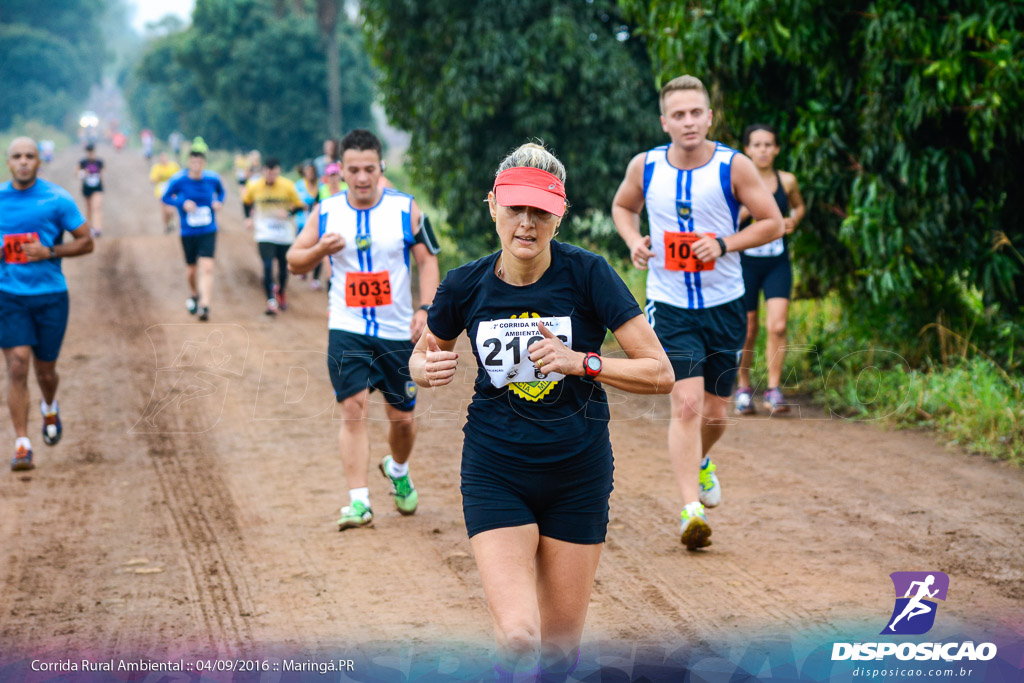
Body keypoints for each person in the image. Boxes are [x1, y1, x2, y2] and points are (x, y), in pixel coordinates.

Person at [411, 142, 673, 679]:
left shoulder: (588, 275)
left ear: (560, 214)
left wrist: (583, 362)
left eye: (540, 211)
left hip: (577, 474)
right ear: (493, 207)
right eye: (515, 209)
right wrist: (422, 370)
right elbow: (422, 354)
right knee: (516, 638)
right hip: (495, 470)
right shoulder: (465, 284)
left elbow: (659, 371)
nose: (526, 224)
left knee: (555, 653)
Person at [611, 75, 784, 550]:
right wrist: (634, 242)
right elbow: (623, 207)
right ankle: (690, 510)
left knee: (715, 414)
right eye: (678, 115)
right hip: (670, 306)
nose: (688, 122)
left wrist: (725, 243)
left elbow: (772, 222)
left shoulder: (735, 167)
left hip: (725, 305)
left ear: (709, 117)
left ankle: (702, 462)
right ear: (664, 121)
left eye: (696, 113)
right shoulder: (646, 167)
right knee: (684, 405)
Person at [286, 128, 440, 532]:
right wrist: (320, 250)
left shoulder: (408, 210)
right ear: (341, 169)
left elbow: (428, 262)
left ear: (380, 167)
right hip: (347, 326)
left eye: (369, 169)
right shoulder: (326, 211)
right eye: (352, 169)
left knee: (402, 419)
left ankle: (398, 468)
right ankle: (359, 502)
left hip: (396, 331)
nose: (361, 178)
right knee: (353, 408)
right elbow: (293, 260)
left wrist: (426, 309)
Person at [1, 137, 94, 471]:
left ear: (39, 162)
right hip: (8, 295)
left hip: (51, 295)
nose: (23, 161)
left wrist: (49, 252)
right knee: (16, 365)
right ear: (8, 162)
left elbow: (86, 242)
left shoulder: (57, 198)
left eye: (30, 156)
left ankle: (50, 405)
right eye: (17, 157)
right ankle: (23, 444)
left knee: (45, 370)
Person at [733, 123, 805, 415]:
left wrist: (793, 221)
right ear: (747, 149)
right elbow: (724, 220)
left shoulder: (786, 181)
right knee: (748, 329)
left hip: (777, 262)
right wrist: (745, 212)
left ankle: (774, 389)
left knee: (778, 325)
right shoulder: (737, 183)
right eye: (757, 145)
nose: (763, 150)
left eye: (768, 145)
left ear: (776, 149)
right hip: (745, 263)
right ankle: (743, 388)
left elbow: (798, 207)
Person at [161, 138, 225, 322]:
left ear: (204, 163)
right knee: (191, 269)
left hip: (208, 229)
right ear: (189, 162)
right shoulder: (179, 180)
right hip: (188, 231)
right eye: (193, 162)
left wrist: (219, 202)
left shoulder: (212, 178)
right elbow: (166, 197)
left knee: (207, 267)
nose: (196, 165)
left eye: (200, 162)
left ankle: (205, 305)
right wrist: (182, 203)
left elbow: (222, 192)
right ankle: (194, 293)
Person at [242, 157, 305, 315]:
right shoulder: (255, 186)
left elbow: (300, 206)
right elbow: (246, 201)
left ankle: (281, 292)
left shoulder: (287, 186)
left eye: (274, 173)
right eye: (268, 173)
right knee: (267, 266)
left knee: (284, 268)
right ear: (264, 171)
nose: (271, 176)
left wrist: (289, 212)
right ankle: (270, 300)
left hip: (284, 234)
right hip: (264, 233)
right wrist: (248, 218)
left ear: (278, 172)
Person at [294, 161, 324, 290]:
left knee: (319, 250)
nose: (310, 174)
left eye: (312, 171)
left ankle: (315, 278)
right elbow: (294, 202)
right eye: (308, 171)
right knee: (304, 248)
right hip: (302, 222)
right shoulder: (299, 185)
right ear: (304, 172)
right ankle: (304, 269)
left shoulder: (321, 186)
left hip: (317, 223)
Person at [150, 152, 181, 233]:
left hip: (172, 190)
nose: (164, 160)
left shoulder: (174, 166)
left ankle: (171, 222)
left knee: (171, 209)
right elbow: (152, 179)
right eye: (162, 158)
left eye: (165, 158)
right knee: (164, 210)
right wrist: (158, 177)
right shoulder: (156, 168)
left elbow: (180, 176)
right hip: (161, 191)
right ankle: (166, 225)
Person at [77, 144, 104, 238]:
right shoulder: (83, 162)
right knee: (89, 208)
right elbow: (76, 173)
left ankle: (97, 228)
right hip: (87, 187)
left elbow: (102, 173)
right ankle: (90, 227)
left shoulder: (99, 162)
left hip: (97, 187)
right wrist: (83, 173)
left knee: (96, 207)